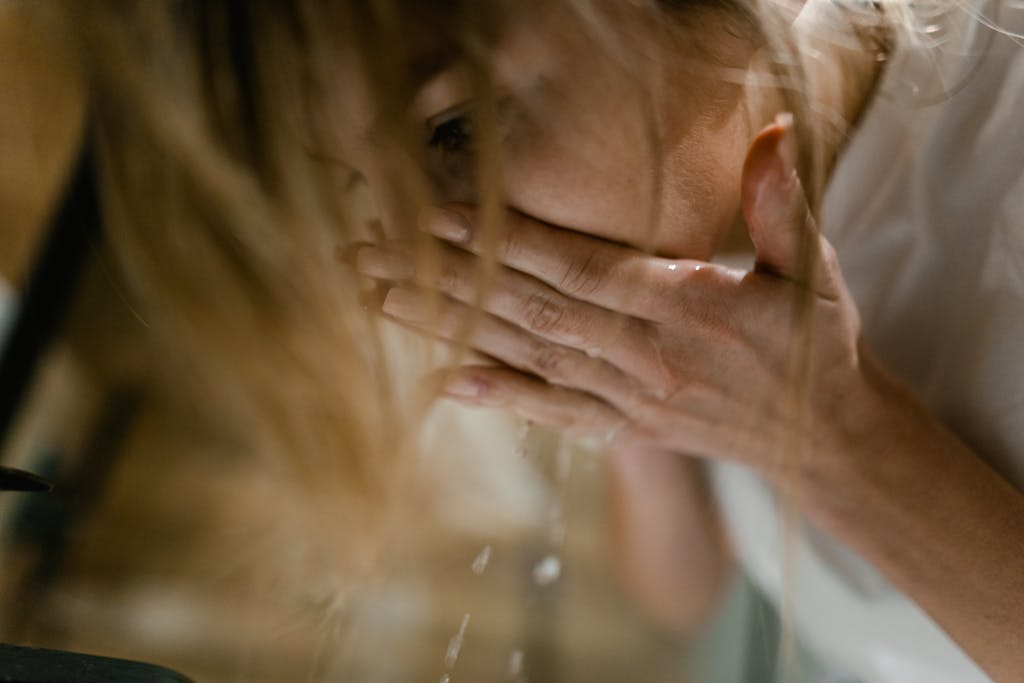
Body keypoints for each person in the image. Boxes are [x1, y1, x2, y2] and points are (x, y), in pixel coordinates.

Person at [2, 1, 1022, 681]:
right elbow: (687, 589)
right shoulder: (705, 264)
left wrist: (836, 439)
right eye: (364, 176)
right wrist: (648, 416)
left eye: (454, 131)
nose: (435, 235)